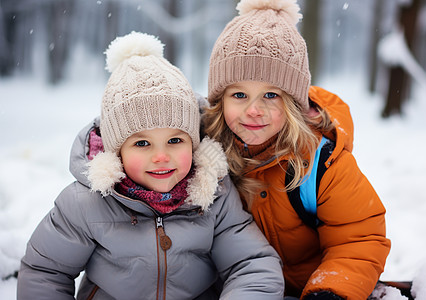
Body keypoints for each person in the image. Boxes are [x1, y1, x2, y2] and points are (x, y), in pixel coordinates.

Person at [17, 31, 284, 300]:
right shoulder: (86, 203)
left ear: (193, 143)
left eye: (175, 140)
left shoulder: (214, 195)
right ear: (116, 150)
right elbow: (45, 272)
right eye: (142, 144)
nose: (161, 156)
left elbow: (252, 264)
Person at [203, 0, 391, 299]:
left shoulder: (320, 162)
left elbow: (358, 239)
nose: (254, 110)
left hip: (307, 287)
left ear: (292, 103)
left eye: (270, 95)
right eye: (239, 94)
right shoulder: (202, 152)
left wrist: (330, 291)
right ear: (220, 100)